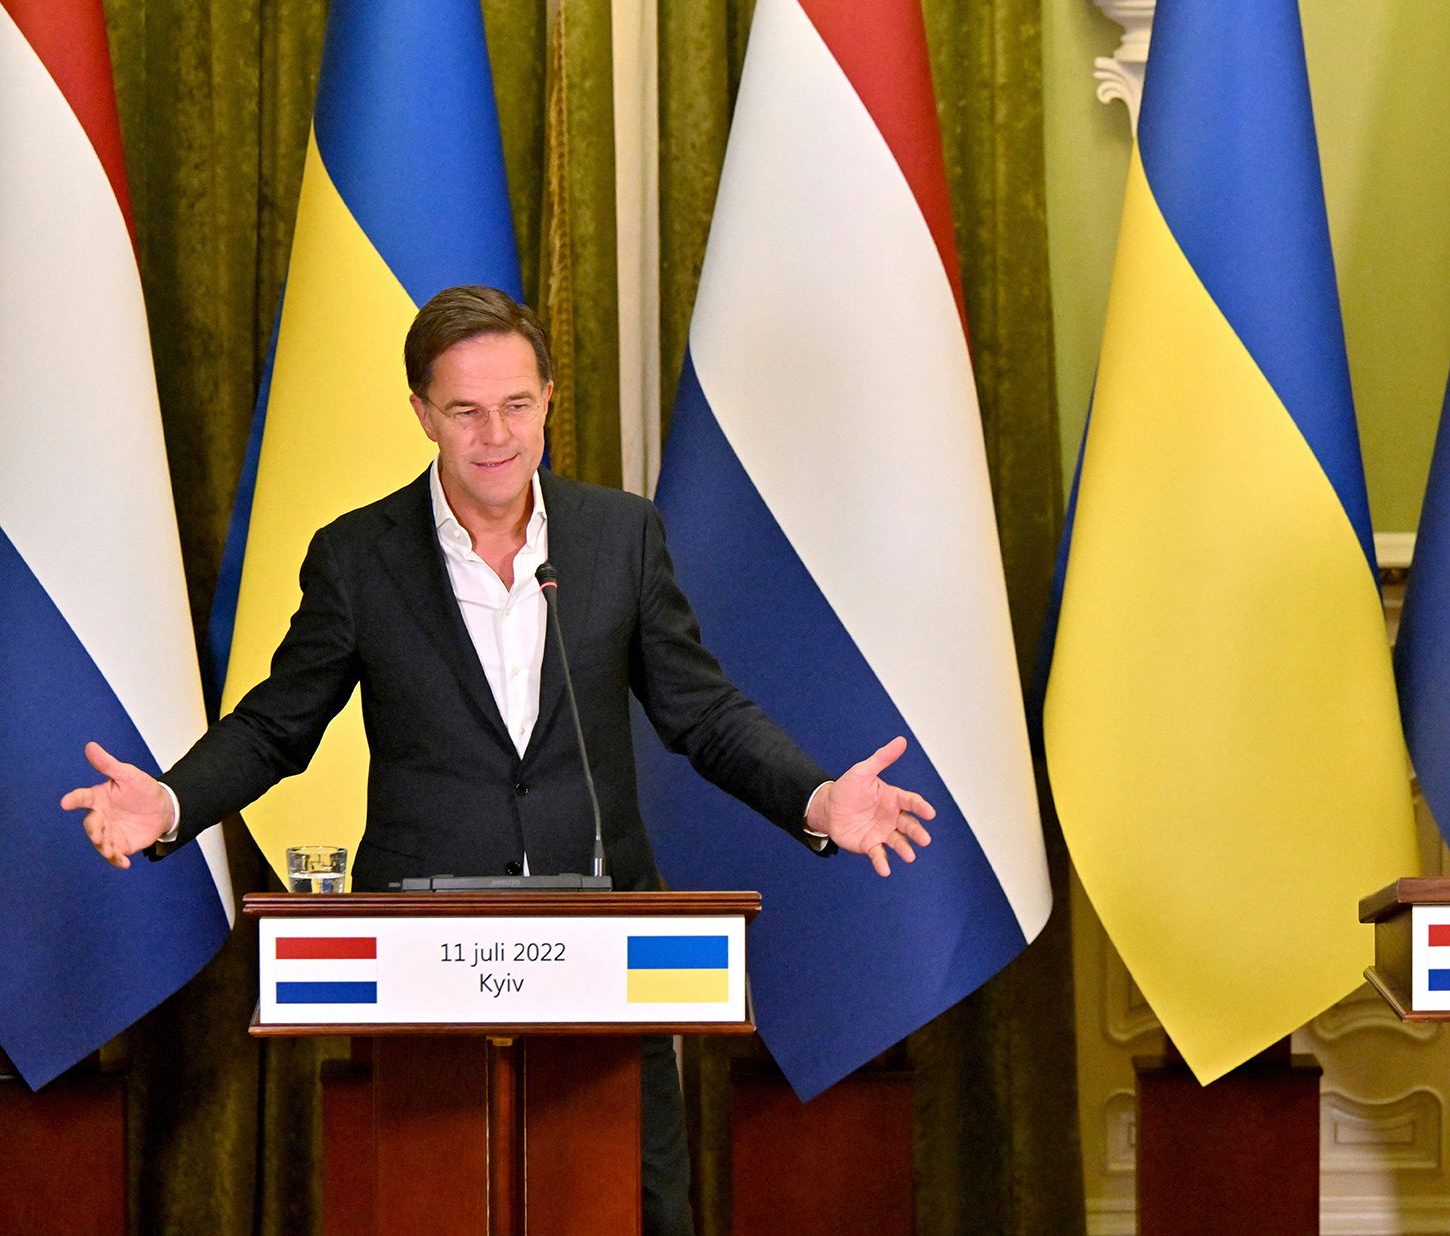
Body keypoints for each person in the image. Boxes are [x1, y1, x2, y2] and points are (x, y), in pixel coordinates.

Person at [60, 284, 937, 1236]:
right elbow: (279, 725)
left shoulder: (620, 537)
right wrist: (175, 804)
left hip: (608, 947)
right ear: (423, 413)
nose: (496, 434)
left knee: (638, 1207)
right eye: (466, 409)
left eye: (518, 404)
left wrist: (815, 798)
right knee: (436, 1206)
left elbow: (703, 712)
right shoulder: (357, 556)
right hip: (421, 955)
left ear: (550, 398)